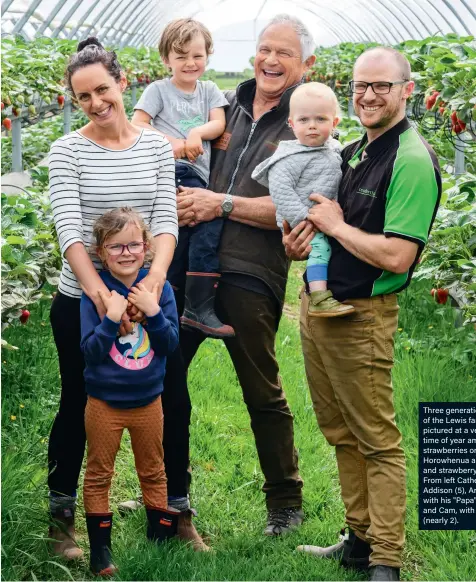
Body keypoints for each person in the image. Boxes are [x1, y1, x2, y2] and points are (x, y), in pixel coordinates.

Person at [287, 48, 441, 581]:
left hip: (362, 316)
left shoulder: (412, 161)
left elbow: (397, 256)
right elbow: (336, 228)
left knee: (376, 438)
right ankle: (359, 538)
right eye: (360, 86)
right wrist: (305, 242)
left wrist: (332, 225)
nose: (369, 95)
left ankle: (386, 561)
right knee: (340, 429)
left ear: (407, 90)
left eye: (381, 85)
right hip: (321, 309)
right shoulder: (354, 150)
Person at [161, 13, 318, 535]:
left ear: (307, 65)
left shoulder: (306, 123)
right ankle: (169, 496)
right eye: (264, 49)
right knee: (163, 377)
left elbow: (298, 208)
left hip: (252, 272)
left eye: (284, 54)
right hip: (190, 266)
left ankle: (285, 504)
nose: (270, 61)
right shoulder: (224, 107)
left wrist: (218, 204)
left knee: (261, 388)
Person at [47, 37, 181, 560]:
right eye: (83, 97)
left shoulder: (154, 146)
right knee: (78, 399)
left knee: (158, 393)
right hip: (83, 299)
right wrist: (101, 294)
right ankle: (62, 520)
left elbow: (165, 221)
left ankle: (169, 510)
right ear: (75, 101)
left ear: (123, 83)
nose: (97, 103)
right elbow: (69, 232)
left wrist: (152, 284)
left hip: (147, 299)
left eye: (103, 89)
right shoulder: (68, 150)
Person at [81, 208, 180, 575]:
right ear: (100, 252)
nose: (126, 253)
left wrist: (153, 312)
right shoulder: (96, 296)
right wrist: (110, 318)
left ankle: (159, 540)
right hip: (103, 402)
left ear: (147, 247)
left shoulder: (159, 290)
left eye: (133, 245)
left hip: (148, 400)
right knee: (99, 472)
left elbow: (170, 344)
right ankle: (100, 552)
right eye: (115, 247)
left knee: (153, 470)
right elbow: (89, 352)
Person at [132, 18, 233, 339]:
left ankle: (173, 302)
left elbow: (218, 123)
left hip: (196, 176)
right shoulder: (158, 90)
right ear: (166, 59)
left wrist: (195, 132)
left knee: (183, 232)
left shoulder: (209, 90)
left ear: (208, 55)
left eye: (197, 56)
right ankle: (199, 305)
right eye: (181, 56)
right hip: (171, 169)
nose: (190, 63)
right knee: (209, 223)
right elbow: (138, 124)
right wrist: (173, 144)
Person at [251, 82, 354, 317]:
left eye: (320, 119)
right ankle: (318, 296)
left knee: (333, 248)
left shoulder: (334, 149)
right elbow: (281, 192)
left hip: (323, 216)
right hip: (303, 218)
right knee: (320, 248)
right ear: (292, 124)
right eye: (304, 120)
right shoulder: (289, 158)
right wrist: (305, 219)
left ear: (334, 123)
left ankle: (326, 288)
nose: (312, 127)